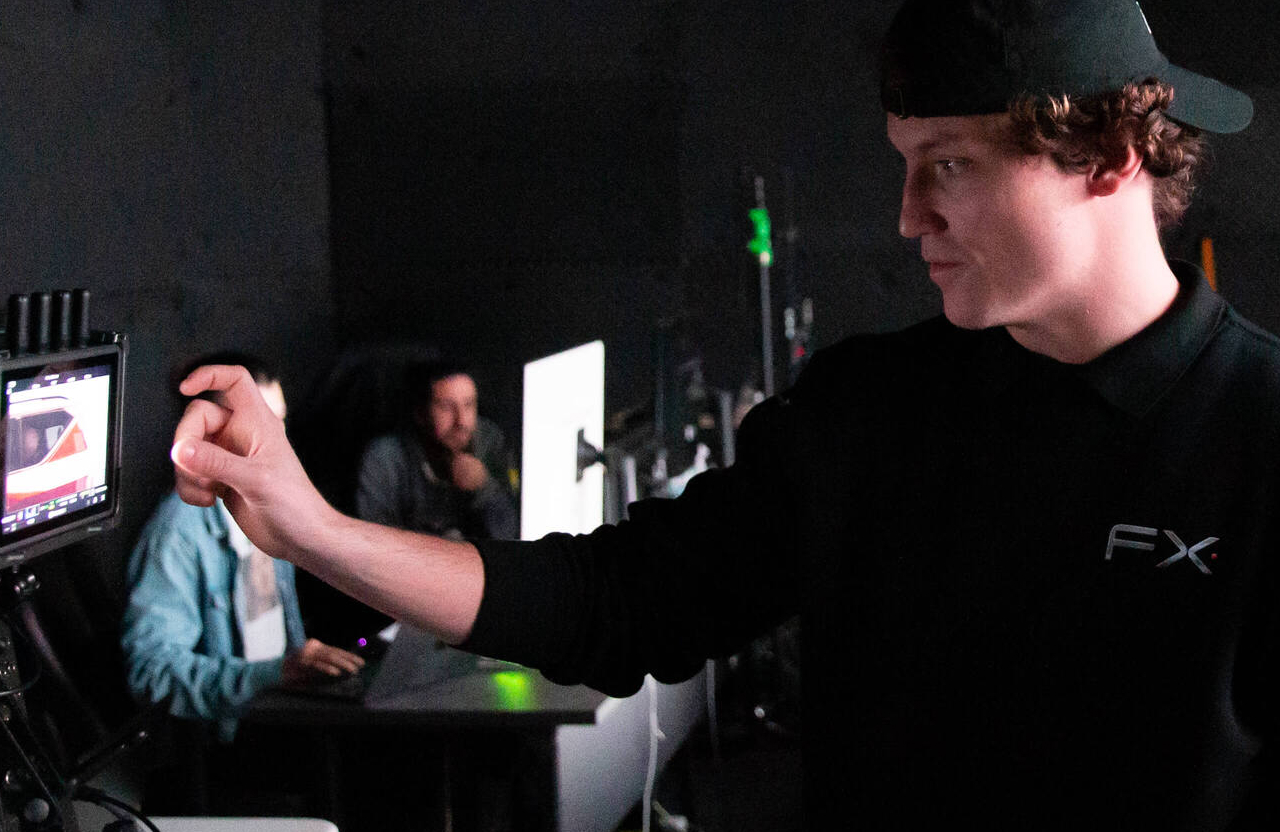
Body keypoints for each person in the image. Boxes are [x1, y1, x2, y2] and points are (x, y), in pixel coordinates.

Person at [166, 1, 1277, 828]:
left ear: (1109, 157)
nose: (905, 218)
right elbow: (612, 599)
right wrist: (311, 526)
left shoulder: (1259, 431)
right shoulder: (869, 409)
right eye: (900, 167)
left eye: (946, 166)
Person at [122, 352, 363, 745]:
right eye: (261, 424)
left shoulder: (267, 507)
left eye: (280, 422)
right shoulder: (177, 534)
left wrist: (302, 668)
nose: (278, 442)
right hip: (230, 743)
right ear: (206, 432)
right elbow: (152, 673)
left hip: (285, 718)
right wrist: (274, 674)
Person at [355, 360, 517, 541]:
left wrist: (484, 487)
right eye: (447, 407)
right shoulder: (386, 457)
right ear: (421, 414)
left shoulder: (490, 441)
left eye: (469, 404)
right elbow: (374, 540)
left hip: (475, 565)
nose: (461, 421)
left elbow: (512, 536)